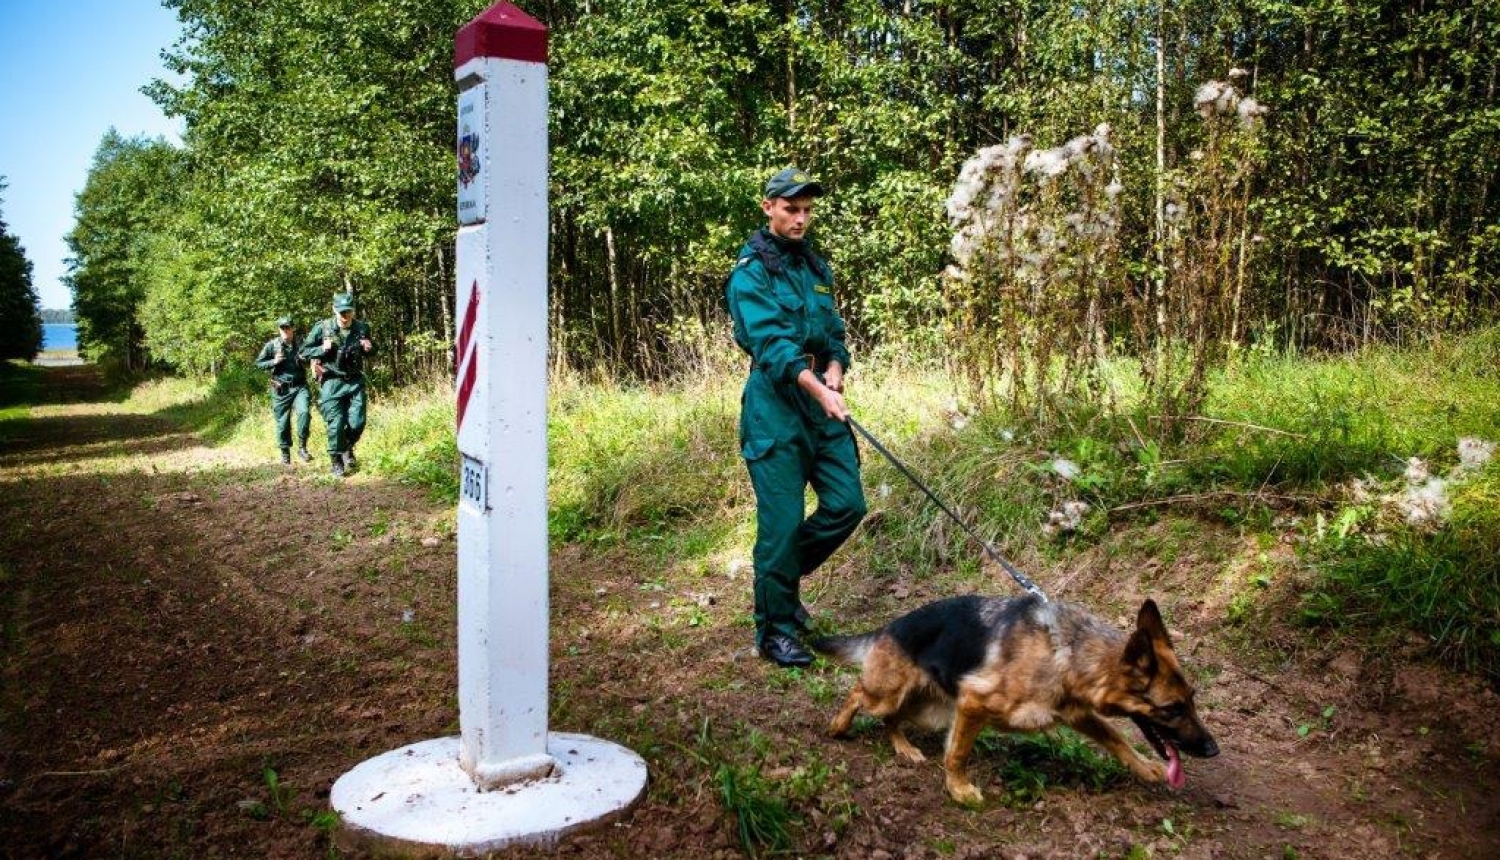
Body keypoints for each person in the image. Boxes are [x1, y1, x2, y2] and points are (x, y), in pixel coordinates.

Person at [725, 167, 867, 668]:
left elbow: (834, 334)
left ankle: (778, 586)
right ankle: (774, 629)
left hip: (821, 401)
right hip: (776, 408)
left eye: (807, 210)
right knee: (781, 526)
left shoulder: (815, 268)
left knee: (848, 504)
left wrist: (834, 369)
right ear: (768, 207)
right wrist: (814, 387)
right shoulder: (750, 272)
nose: (801, 218)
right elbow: (770, 345)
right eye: (791, 209)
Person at [302, 292, 373, 477]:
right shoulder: (323, 328)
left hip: (355, 381)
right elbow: (303, 351)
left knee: (358, 422)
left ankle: (346, 448)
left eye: (348, 311)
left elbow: (372, 351)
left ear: (353, 310)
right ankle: (336, 461)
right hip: (331, 382)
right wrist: (321, 349)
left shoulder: (362, 328)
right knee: (336, 423)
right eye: (341, 311)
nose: (344, 315)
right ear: (334, 309)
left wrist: (369, 347)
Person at [254, 316, 312, 465]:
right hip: (281, 389)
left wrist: (304, 359)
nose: (285, 330)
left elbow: (311, 358)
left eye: (288, 327)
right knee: (283, 422)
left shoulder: (301, 343)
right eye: (282, 328)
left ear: (293, 328)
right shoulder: (272, 345)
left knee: (304, 413)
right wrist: (274, 361)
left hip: (300, 386)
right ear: (279, 330)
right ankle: (285, 454)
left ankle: (302, 448)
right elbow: (259, 363)